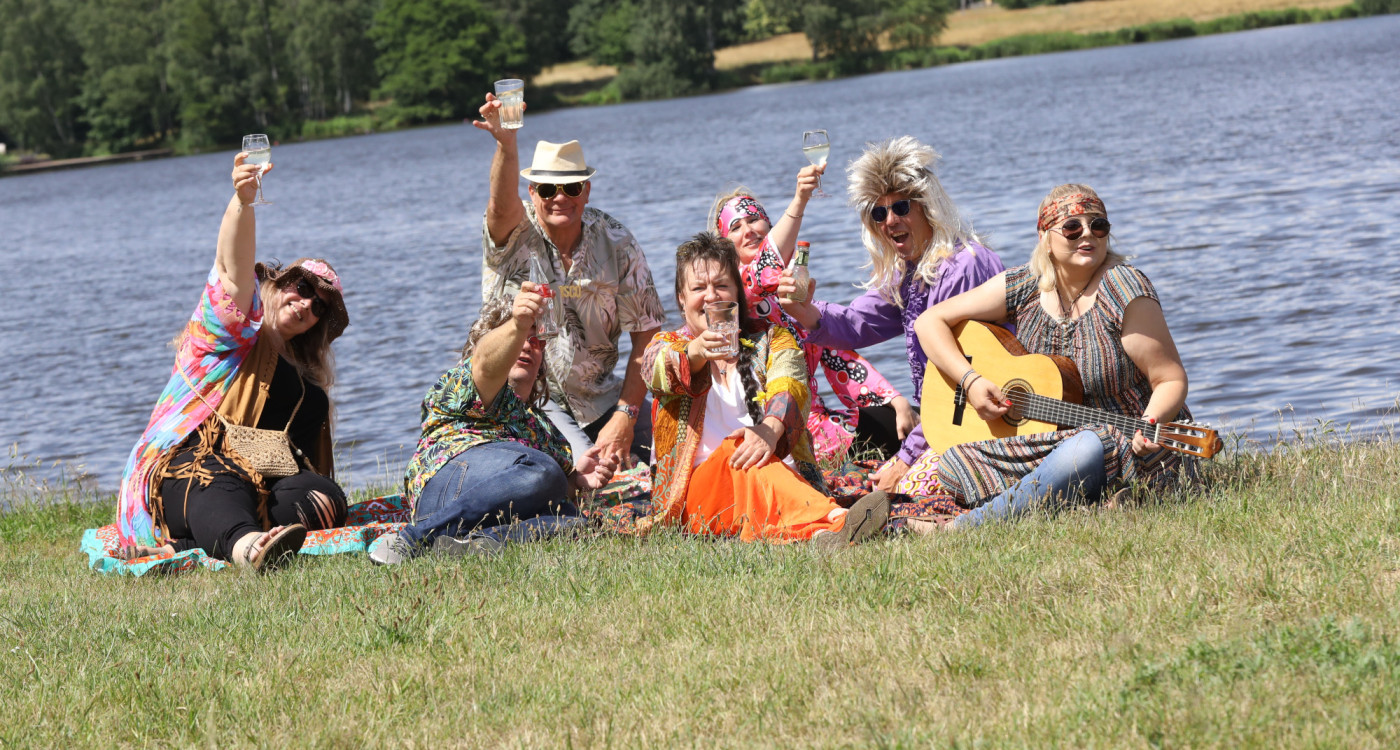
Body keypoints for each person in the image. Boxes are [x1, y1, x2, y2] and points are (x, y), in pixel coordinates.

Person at [114, 154, 351, 571]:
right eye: (301, 288)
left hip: (261, 483)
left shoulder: (305, 374)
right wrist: (242, 201)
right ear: (277, 283)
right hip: (185, 469)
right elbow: (231, 270)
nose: (306, 304)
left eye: (319, 306)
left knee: (322, 496)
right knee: (218, 473)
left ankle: (187, 544)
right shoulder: (232, 333)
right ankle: (248, 548)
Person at [913, 184, 1192, 528]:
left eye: (1098, 225)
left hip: (1129, 444)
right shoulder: (1025, 286)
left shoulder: (1124, 289)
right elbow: (929, 322)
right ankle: (1078, 501)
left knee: (1086, 449)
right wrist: (970, 381)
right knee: (955, 463)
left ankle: (962, 528)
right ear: (1045, 237)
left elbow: (1170, 379)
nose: (1087, 234)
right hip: (1054, 440)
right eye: (1072, 227)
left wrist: (1150, 423)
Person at [778, 136, 1006, 493]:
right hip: (949, 415)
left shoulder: (961, 267)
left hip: (988, 416)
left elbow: (950, 388)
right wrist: (802, 309)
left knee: (903, 491)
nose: (890, 220)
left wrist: (904, 460)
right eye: (879, 213)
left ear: (927, 206)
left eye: (901, 207)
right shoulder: (912, 273)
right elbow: (856, 323)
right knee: (872, 486)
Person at [640, 233, 890, 545]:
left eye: (721, 285)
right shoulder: (669, 346)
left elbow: (792, 383)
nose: (711, 296)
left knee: (754, 458)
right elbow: (653, 370)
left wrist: (769, 430)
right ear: (681, 297)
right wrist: (697, 352)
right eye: (698, 288)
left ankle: (823, 535)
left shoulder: (774, 339)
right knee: (740, 449)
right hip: (702, 493)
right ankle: (839, 519)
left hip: (773, 474)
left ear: (737, 293)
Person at [474, 92, 665, 465]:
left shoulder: (617, 241)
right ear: (532, 193)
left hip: (602, 398)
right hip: (526, 396)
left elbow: (648, 333)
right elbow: (499, 207)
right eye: (548, 189)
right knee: (586, 467)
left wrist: (625, 414)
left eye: (572, 187)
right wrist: (506, 145)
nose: (560, 197)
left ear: (587, 190)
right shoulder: (512, 233)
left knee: (677, 446)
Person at [369, 290, 619, 565]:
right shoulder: (466, 384)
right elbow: (485, 365)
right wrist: (517, 324)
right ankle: (414, 538)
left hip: (486, 513)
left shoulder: (546, 430)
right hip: (444, 492)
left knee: (576, 523)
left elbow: (536, 489)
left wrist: (575, 482)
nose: (527, 345)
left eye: (536, 340)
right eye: (520, 338)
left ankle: (473, 543)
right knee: (544, 469)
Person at [709, 169, 917, 462]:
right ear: (724, 245)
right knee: (907, 437)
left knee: (908, 421)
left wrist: (894, 400)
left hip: (817, 423)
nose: (748, 230)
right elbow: (764, 265)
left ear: (770, 225)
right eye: (735, 227)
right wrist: (800, 199)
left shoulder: (796, 299)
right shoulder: (738, 297)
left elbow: (838, 356)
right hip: (769, 431)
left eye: (754, 219)